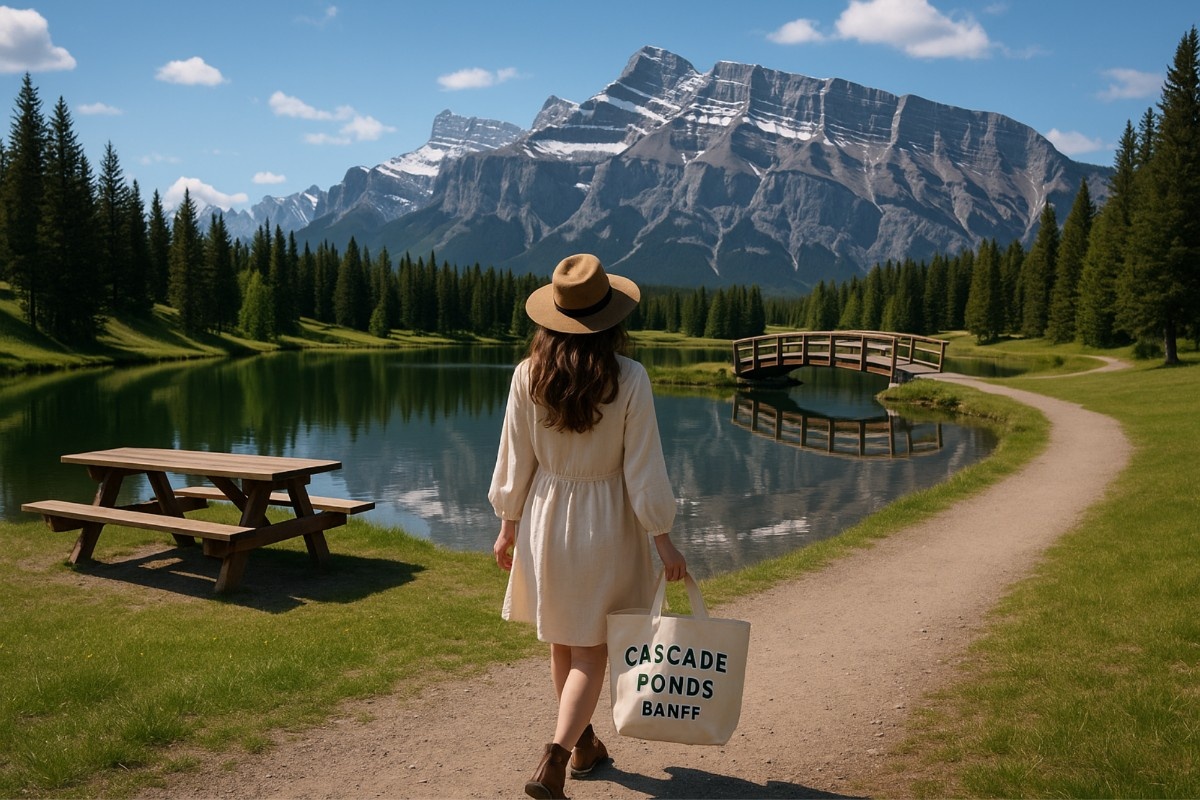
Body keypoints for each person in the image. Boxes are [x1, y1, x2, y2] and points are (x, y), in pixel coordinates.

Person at [490, 253, 688, 799]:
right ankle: (554, 758)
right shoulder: (629, 378)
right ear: (611, 319)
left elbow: (515, 459)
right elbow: (644, 469)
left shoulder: (528, 374)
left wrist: (508, 525)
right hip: (607, 522)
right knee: (590, 650)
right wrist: (663, 539)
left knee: (563, 639)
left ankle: (583, 746)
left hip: (546, 515)